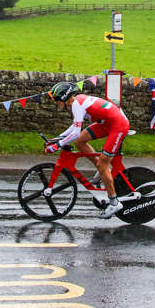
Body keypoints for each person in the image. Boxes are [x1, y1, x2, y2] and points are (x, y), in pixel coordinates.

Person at [47, 81, 130, 218]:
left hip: (118, 125)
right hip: (108, 123)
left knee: (102, 165)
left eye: (56, 101)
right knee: (80, 141)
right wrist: (57, 138)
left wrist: (57, 146)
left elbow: (75, 133)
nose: (56, 103)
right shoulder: (76, 103)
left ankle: (115, 203)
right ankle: (103, 172)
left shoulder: (77, 105)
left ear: (63, 98)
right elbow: (75, 129)